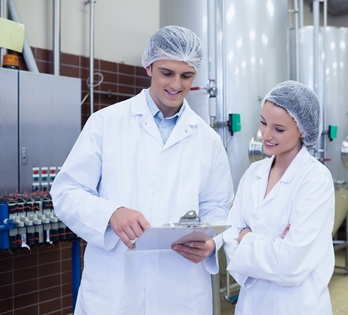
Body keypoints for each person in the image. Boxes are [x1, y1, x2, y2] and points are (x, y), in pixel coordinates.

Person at [51, 25, 234, 315]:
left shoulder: (207, 139)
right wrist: (111, 213)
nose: (176, 84)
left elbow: (218, 206)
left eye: (186, 75)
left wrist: (212, 241)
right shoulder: (105, 123)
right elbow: (66, 192)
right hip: (116, 287)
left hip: (181, 289)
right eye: (167, 73)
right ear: (149, 67)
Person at [223, 80, 335, 315]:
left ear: (302, 130)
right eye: (263, 123)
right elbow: (230, 236)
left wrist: (247, 238)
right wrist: (263, 243)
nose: (266, 135)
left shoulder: (315, 179)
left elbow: (289, 264)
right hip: (250, 303)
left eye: (279, 129)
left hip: (295, 306)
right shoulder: (254, 172)